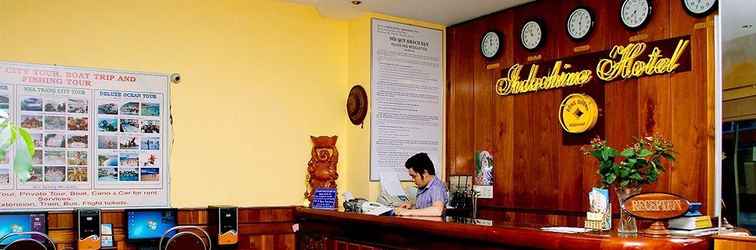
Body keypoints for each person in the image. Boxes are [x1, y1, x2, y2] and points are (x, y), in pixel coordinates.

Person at [394, 152, 448, 217]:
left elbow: (437, 210)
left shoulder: (436, 187)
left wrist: (409, 212)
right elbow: (424, 209)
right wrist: (411, 207)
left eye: (414, 176)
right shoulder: (423, 186)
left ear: (425, 173)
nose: (413, 180)